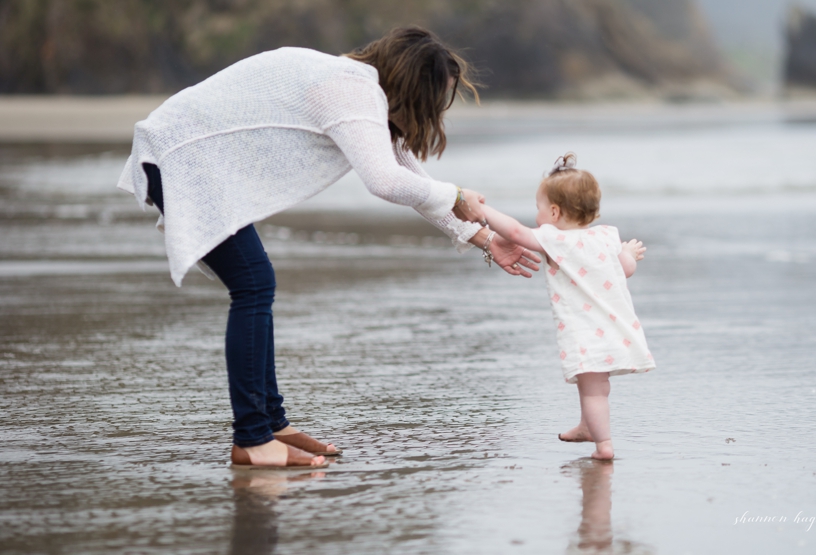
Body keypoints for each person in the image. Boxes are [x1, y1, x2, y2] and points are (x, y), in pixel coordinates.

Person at [119, 27, 532, 470]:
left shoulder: (355, 88)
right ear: (414, 85)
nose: (435, 110)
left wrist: (484, 236)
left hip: (188, 153)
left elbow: (406, 172)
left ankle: (271, 425)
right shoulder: (349, 89)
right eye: (437, 96)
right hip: (181, 154)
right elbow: (386, 183)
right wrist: (457, 196)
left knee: (255, 283)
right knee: (254, 284)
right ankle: (253, 440)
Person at [472, 155, 653, 462]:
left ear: (554, 212)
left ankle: (604, 445)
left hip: (585, 332)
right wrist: (628, 253)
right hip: (614, 329)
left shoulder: (555, 239)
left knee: (593, 390)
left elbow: (516, 233)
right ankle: (587, 426)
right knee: (596, 386)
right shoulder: (606, 236)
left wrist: (480, 209)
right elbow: (625, 269)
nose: (537, 214)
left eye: (538, 207)